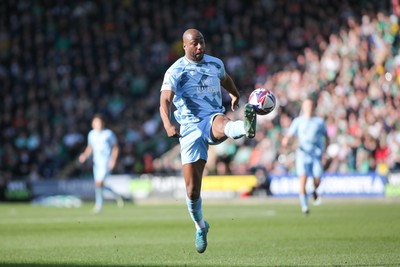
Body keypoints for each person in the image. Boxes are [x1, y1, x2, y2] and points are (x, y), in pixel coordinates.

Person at [159, 28, 257, 253]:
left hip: (211, 117)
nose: (200, 47)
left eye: (202, 42)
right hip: (189, 128)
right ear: (185, 46)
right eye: (194, 44)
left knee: (222, 123)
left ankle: (245, 127)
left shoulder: (215, 63)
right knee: (192, 190)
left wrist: (234, 94)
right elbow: (165, 100)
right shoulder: (176, 71)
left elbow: (226, 79)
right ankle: (200, 226)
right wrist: (167, 124)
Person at [282, 96, 329, 214]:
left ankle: (314, 189)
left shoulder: (319, 121)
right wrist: (286, 140)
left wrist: (325, 151)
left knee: (317, 179)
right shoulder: (298, 121)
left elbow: (326, 136)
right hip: (302, 154)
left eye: (311, 105)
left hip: (316, 155)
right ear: (303, 107)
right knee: (302, 179)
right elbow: (290, 134)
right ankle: (304, 206)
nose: (309, 108)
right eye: (307, 105)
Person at [79, 114, 124, 213]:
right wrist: (85, 155)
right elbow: (90, 147)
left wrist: (113, 160)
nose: (97, 124)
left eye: (99, 122)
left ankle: (99, 205)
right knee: (98, 185)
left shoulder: (108, 134)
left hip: (106, 162)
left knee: (99, 183)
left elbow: (115, 147)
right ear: (92, 124)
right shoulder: (91, 134)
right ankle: (116, 195)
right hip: (96, 163)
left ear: (102, 123)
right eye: (95, 122)